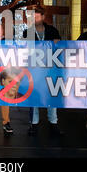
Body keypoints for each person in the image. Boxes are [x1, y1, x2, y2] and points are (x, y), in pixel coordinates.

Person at [23, 7, 64, 136]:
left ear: (43, 17)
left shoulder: (52, 31)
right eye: (33, 17)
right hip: (34, 70)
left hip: (50, 70)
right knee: (34, 97)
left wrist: (58, 43)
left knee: (51, 96)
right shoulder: (27, 32)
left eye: (37, 17)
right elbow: (22, 49)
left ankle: (53, 123)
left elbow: (61, 47)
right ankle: (34, 124)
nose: (35, 19)